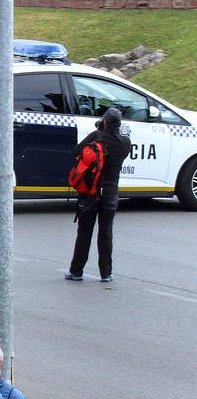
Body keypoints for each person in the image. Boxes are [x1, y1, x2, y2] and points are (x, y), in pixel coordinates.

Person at [67, 107, 131, 283]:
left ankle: (76, 271)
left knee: (84, 231)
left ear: (104, 121)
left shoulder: (97, 137)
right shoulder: (125, 142)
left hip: (90, 192)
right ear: (119, 123)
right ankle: (106, 273)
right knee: (106, 232)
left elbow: (76, 152)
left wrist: (98, 131)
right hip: (110, 194)